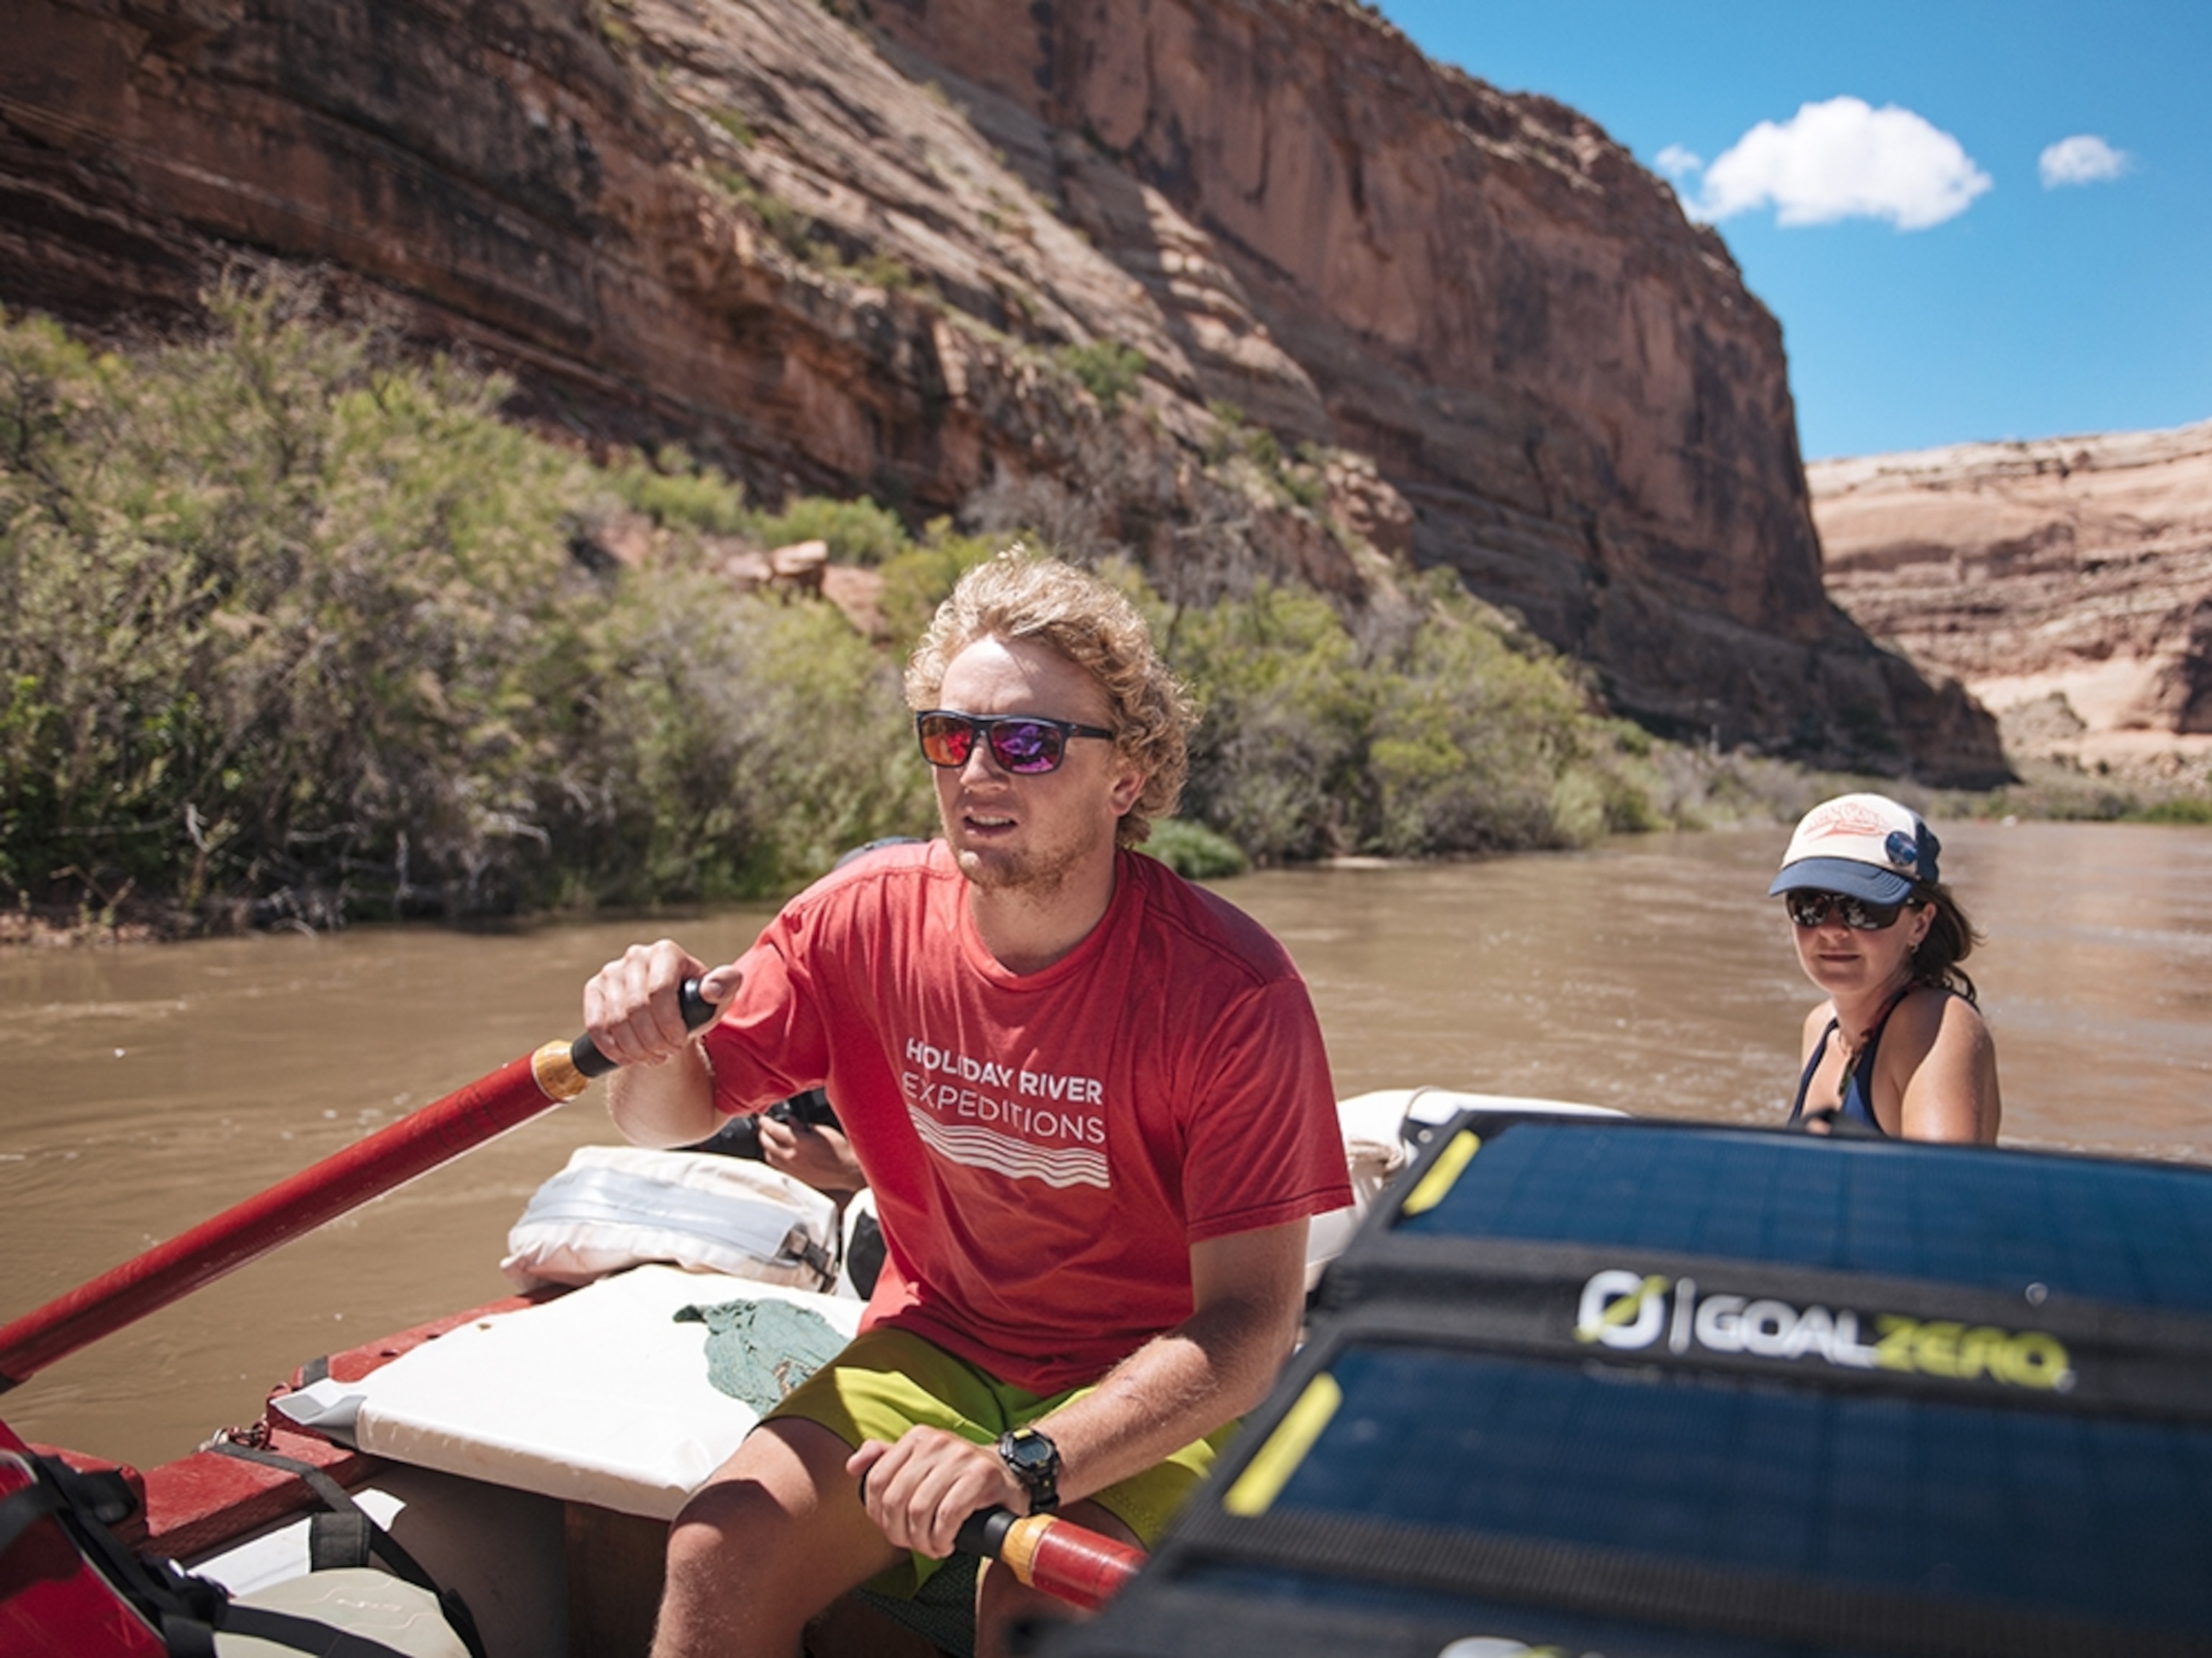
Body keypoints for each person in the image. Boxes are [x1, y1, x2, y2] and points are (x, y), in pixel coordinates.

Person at [582, 550, 1352, 1658]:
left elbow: (1247, 1332)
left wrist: (1031, 1464)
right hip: (939, 1342)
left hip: (1149, 1373)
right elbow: (669, 1116)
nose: (979, 769)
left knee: (1036, 1605)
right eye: (952, 734)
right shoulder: (860, 918)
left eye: (1029, 741)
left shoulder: (1234, 993)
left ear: (1125, 778)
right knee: (719, 1544)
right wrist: (648, 1039)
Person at [1769, 792, 2001, 1144]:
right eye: (1809, 906)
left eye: (1863, 908)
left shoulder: (1935, 1025)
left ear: (1920, 924)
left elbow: (1938, 1192)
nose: (1831, 930)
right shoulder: (1820, 1027)